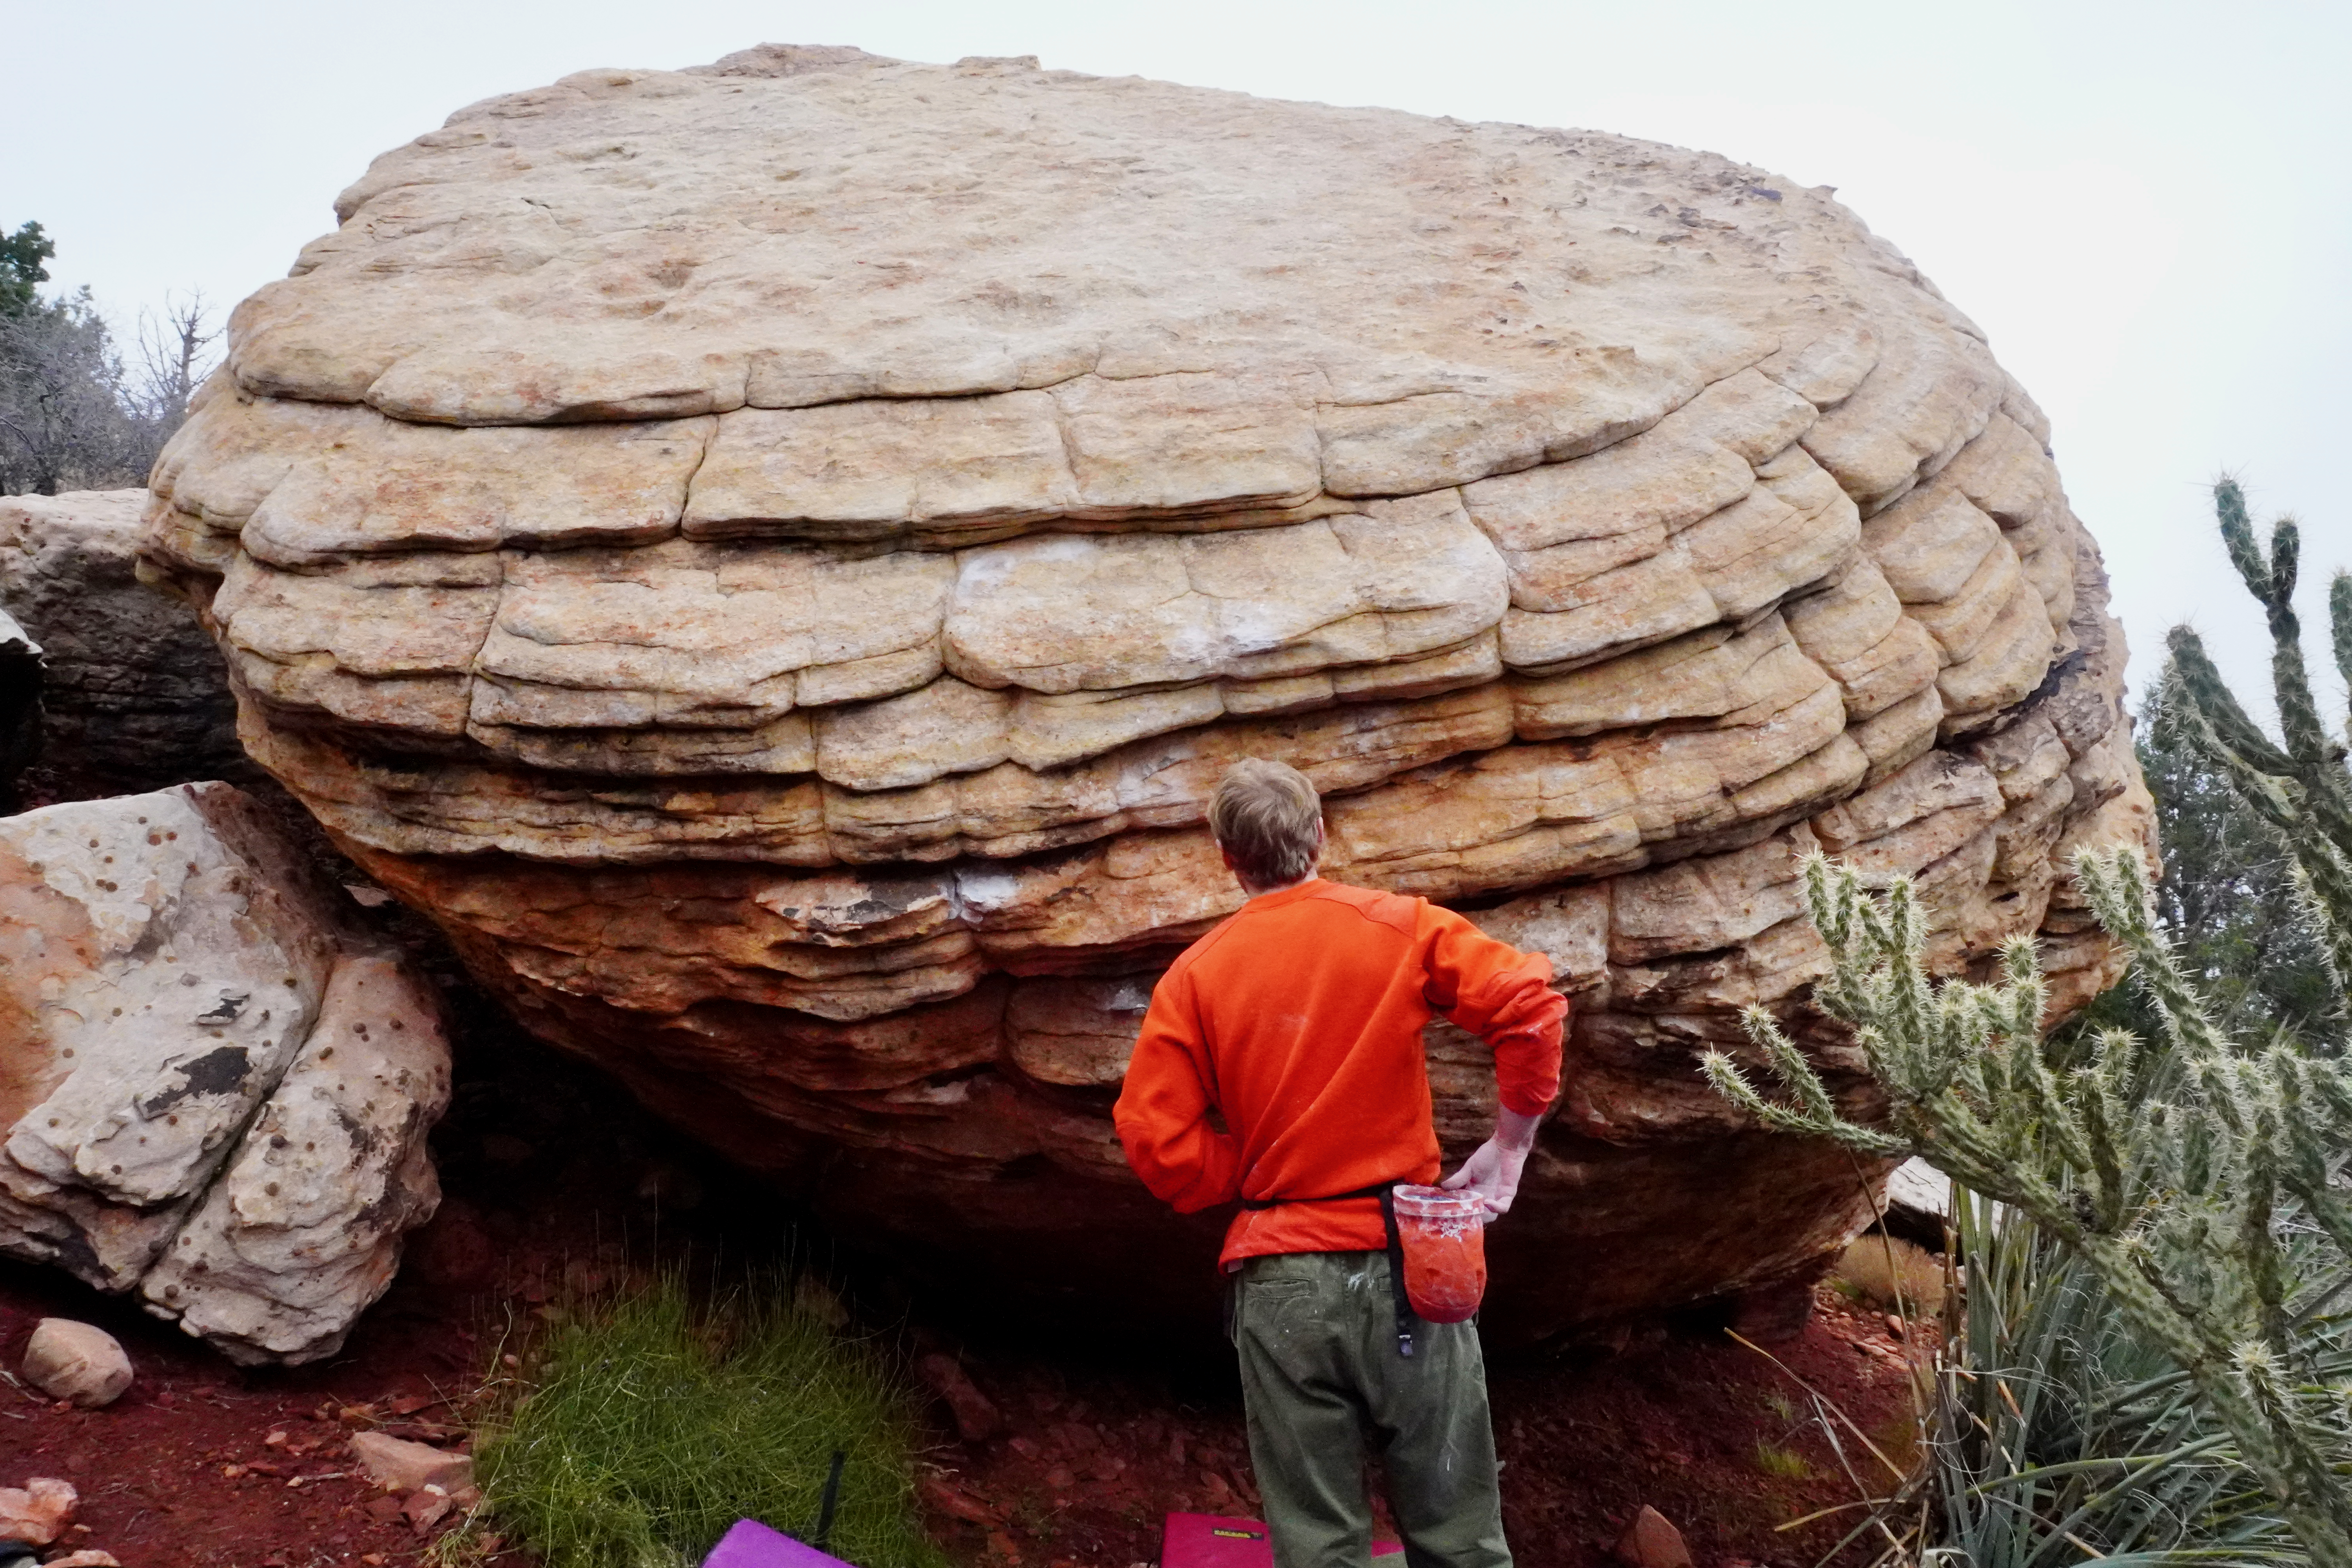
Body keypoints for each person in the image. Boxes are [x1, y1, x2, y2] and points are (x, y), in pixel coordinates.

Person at [1113, 758, 1567, 1568]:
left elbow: (1155, 1139)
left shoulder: (1195, 976)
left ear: (1226, 856)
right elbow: (1530, 1009)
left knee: (1321, 1549)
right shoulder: (1401, 926)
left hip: (1281, 1283)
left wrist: (1249, 1176)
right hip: (1412, 1265)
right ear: (1320, 832)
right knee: (1460, 1542)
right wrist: (1510, 1145)